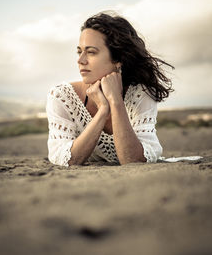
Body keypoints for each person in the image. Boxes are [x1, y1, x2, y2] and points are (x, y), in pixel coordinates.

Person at [46, 12, 173, 166]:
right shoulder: (62, 96)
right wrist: (103, 110)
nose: (80, 60)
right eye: (79, 51)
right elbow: (69, 159)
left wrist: (116, 101)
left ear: (117, 59)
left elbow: (133, 160)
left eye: (91, 52)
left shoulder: (141, 94)